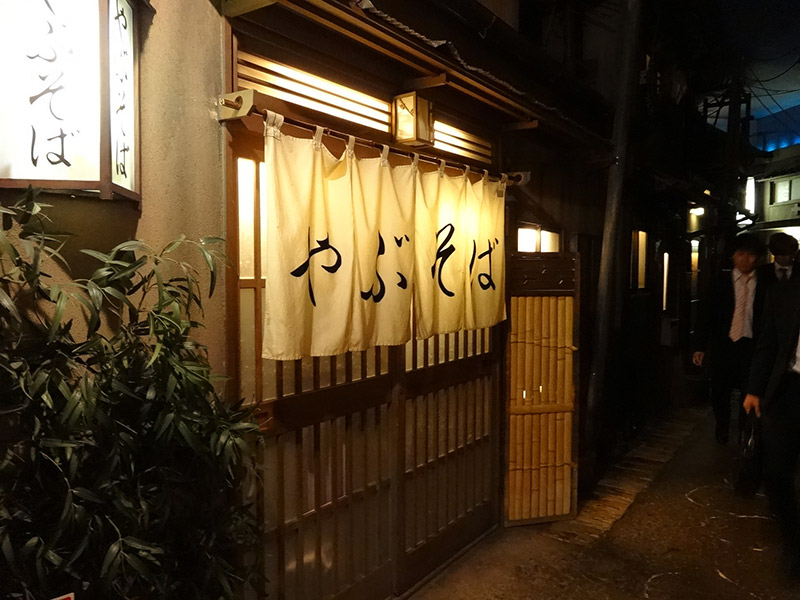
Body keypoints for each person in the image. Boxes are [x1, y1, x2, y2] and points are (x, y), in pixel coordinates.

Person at [743, 276, 800, 578]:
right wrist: (754, 389)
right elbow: (767, 343)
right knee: (776, 472)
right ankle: (793, 541)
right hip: (787, 387)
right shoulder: (784, 292)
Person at [692, 233, 768, 444]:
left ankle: (746, 430)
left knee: (749, 389)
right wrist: (699, 346)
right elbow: (705, 314)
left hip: (752, 346)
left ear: (758, 258)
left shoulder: (765, 283)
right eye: (740, 254)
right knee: (719, 391)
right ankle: (722, 426)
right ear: (733, 256)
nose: (745, 259)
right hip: (723, 345)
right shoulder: (720, 282)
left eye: (751, 255)